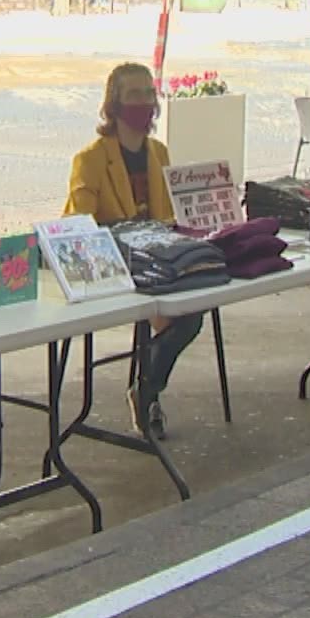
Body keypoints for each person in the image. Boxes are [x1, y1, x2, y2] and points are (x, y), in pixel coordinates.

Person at [64, 62, 204, 439]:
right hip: (114, 265)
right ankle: (148, 394)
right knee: (182, 314)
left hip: (160, 261)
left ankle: (145, 391)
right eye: (134, 94)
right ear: (114, 104)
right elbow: (79, 224)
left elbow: (171, 214)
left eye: (149, 92)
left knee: (194, 313)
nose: (144, 101)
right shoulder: (91, 159)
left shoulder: (159, 152)